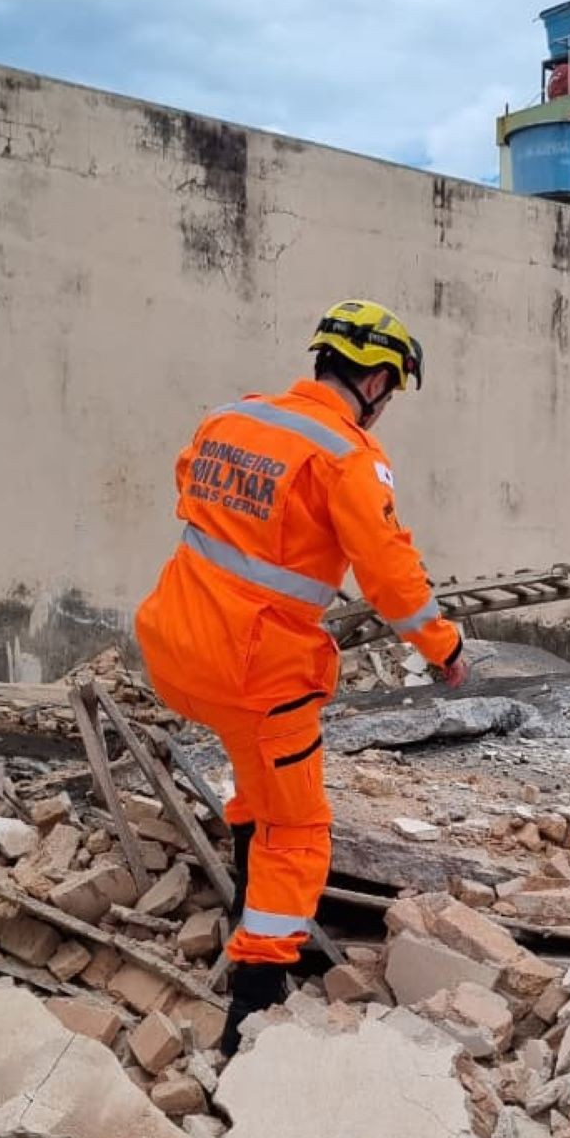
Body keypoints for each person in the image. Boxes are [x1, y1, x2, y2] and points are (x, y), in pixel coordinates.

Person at [136, 299, 469, 1055]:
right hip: (256, 669)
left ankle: (248, 912)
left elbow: (190, 483)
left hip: (174, 647)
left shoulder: (234, 416)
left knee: (257, 789)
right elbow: (391, 576)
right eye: (394, 390)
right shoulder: (348, 456)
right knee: (298, 829)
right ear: (378, 380)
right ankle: (252, 1002)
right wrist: (445, 649)